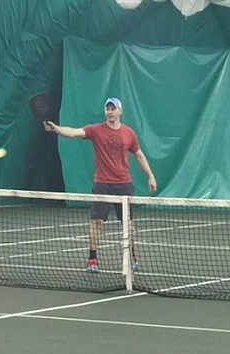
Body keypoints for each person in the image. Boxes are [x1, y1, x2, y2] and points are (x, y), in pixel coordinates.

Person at [44, 97, 157, 272]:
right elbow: (73, 132)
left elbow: (139, 155)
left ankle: (132, 257)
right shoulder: (95, 130)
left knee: (128, 223)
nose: (110, 111)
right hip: (102, 184)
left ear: (120, 111)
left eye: (113, 108)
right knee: (96, 222)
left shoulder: (129, 133)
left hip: (124, 184)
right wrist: (56, 129)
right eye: (108, 108)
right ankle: (92, 260)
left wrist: (150, 175)